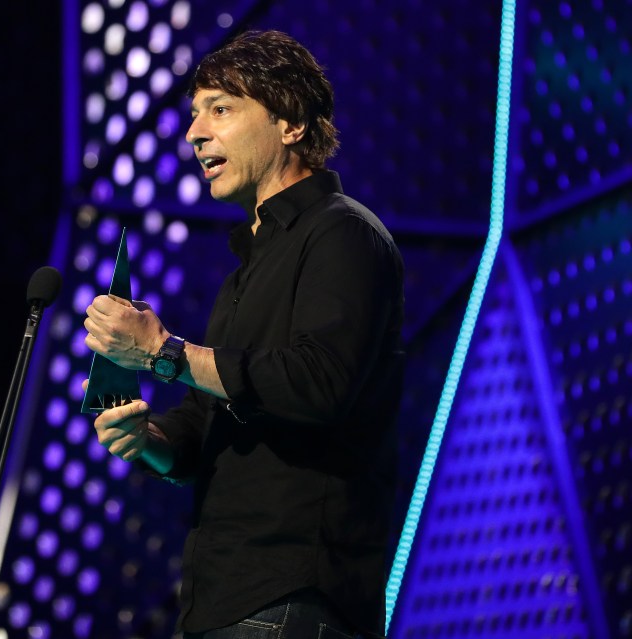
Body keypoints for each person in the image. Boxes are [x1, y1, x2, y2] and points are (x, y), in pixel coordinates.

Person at [83, 30, 404, 639]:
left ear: (290, 123)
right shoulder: (248, 266)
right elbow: (208, 424)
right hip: (222, 597)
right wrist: (147, 438)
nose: (194, 133)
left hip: (292, 593)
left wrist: (161, 351)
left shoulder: (342, 234)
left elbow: (318, 383)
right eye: (195, 113)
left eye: (221, 109)